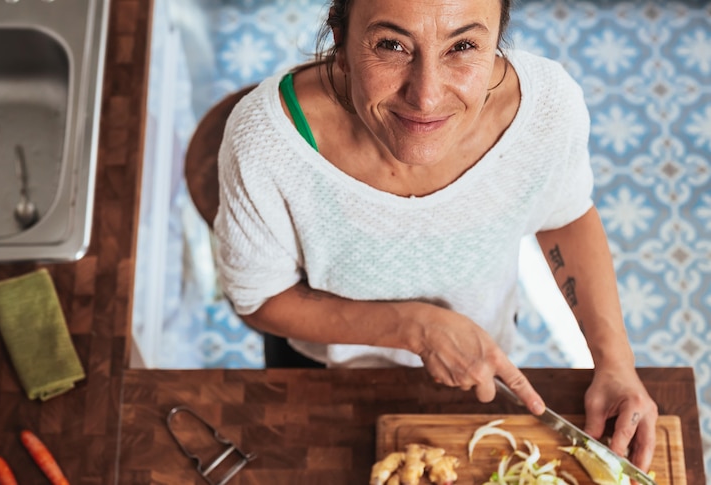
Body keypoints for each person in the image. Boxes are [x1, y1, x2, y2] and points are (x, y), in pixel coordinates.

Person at [212, 0, 658, 471]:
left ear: (495, 44)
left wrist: (614, 362)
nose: (426, 97)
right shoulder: (263, 141)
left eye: (463, 46)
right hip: (326, 372)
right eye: (391, 45)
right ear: (340, 42)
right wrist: (415, 328)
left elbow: (564, 216)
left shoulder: (547, 109)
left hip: (483, 357)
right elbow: (260, 298)